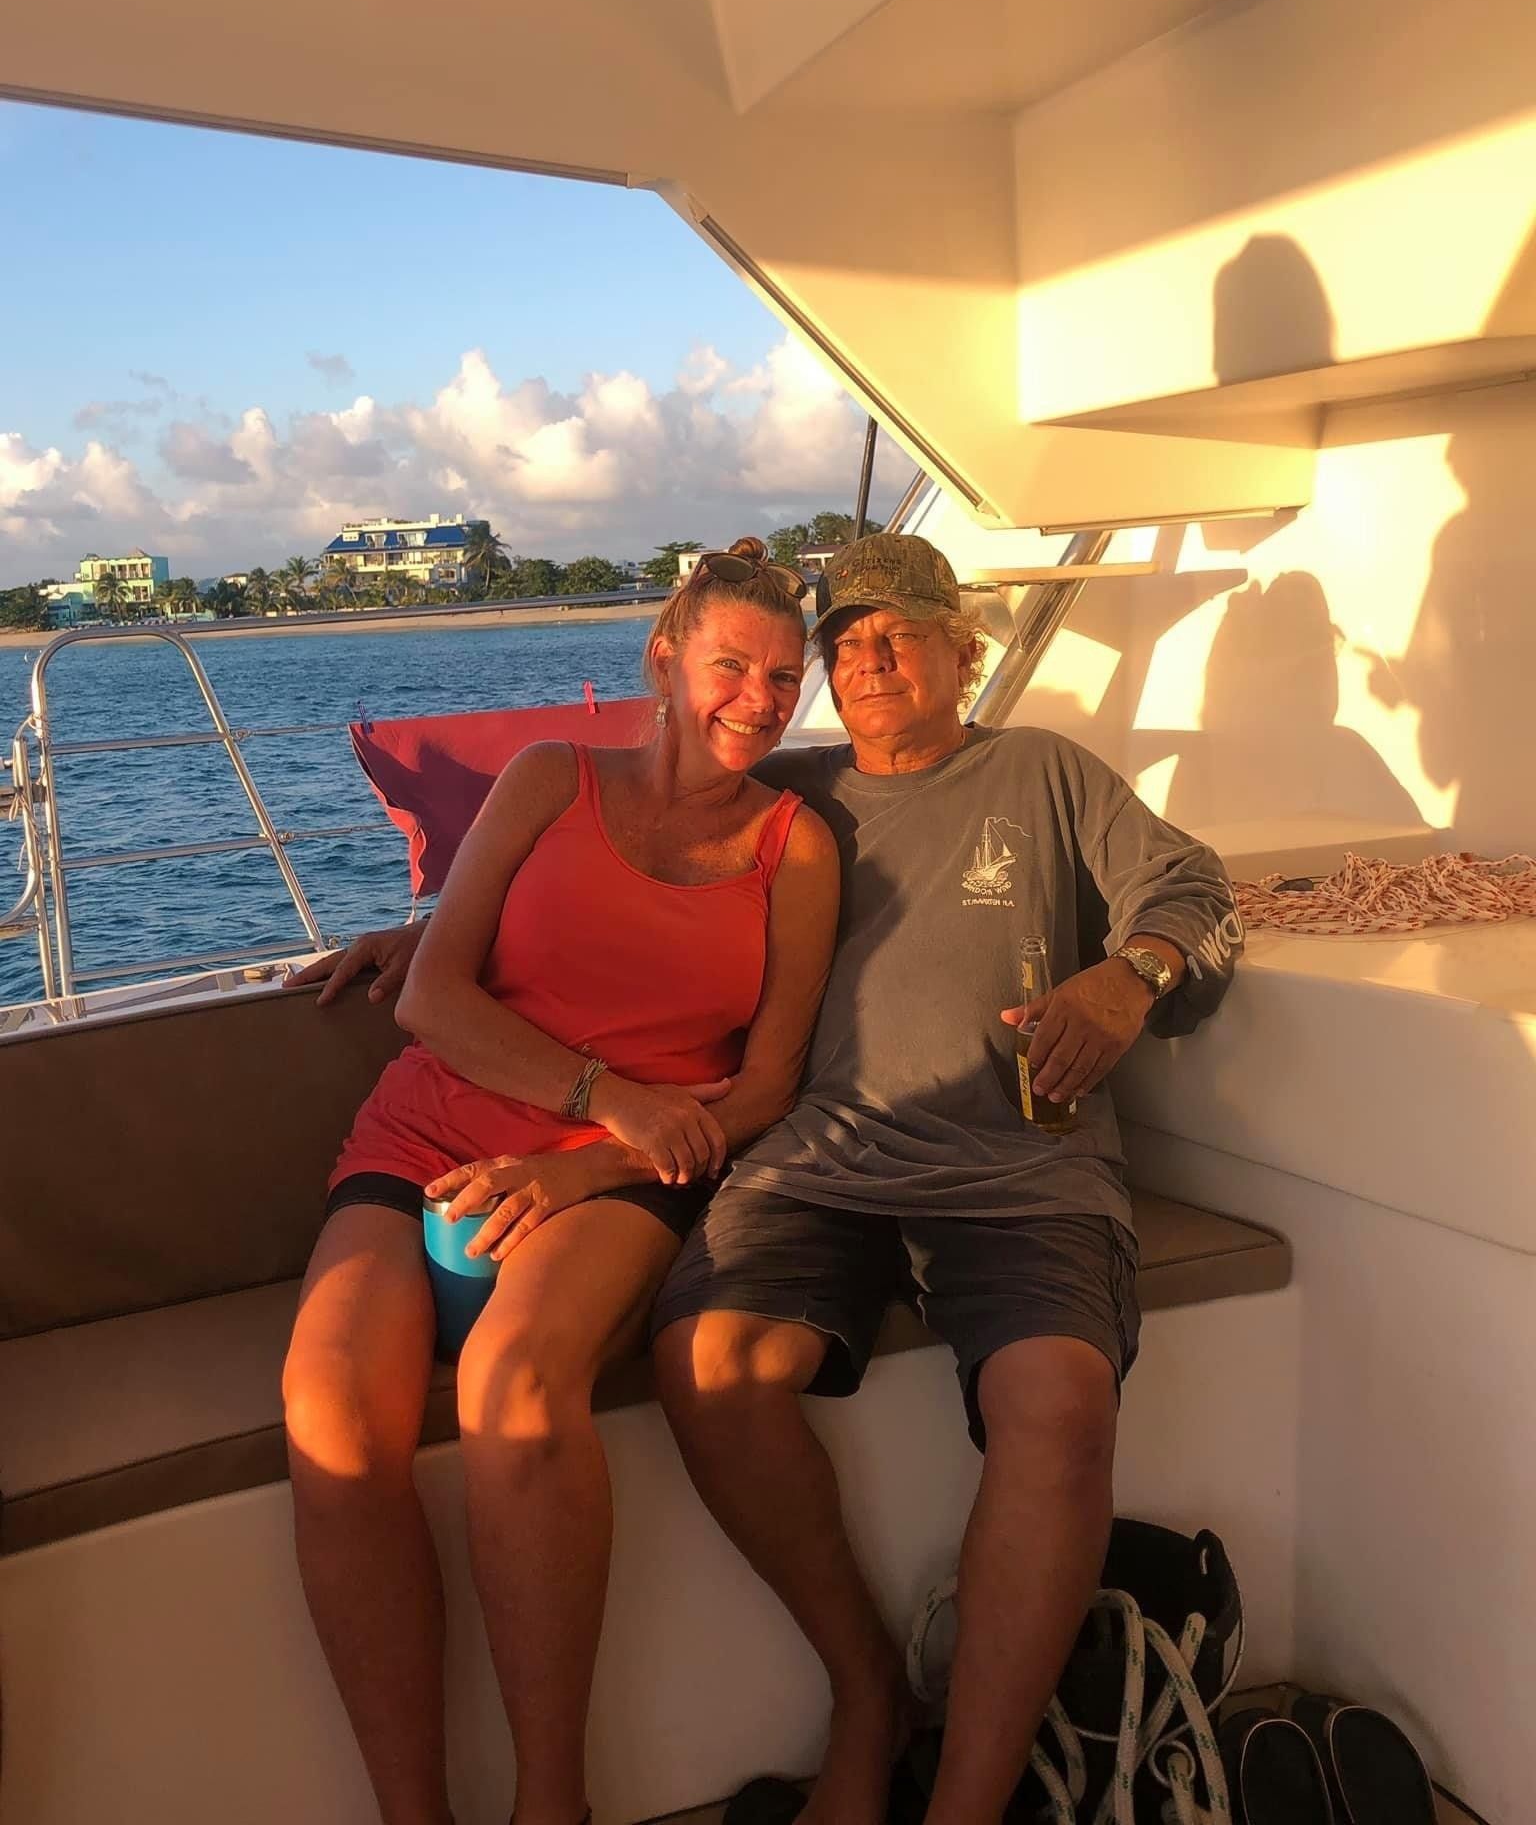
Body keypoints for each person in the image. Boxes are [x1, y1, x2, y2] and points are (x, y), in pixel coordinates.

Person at [298, 532, 1240, 1825]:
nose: (849, 668)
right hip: (648, 1149)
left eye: (884, 639)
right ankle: (836, 1703)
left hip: (868, 1164)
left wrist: (1131, 974)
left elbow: (1184, 886)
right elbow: (555, 895)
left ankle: (900, 1799)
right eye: (837, 646)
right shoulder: (711, 784)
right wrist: (428, 928)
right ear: (672, 656)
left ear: (968, 654)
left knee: (1047, 1405)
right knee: (495, 1395)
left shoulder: (947, 794)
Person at [281, 538, 840, 1825]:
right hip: (427, 1135)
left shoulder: (794, 847)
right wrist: (603, 1088)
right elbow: (433, 989)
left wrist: (595, 1148)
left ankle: (554, 1806)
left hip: (624, 1172)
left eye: (783, 677)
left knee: (515, 1389)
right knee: (324, 1406)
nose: (758, 700)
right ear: (664, 657)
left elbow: (765, 1085)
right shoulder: (549, 780)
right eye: (729, 666)